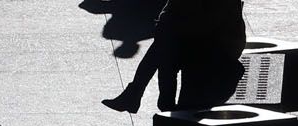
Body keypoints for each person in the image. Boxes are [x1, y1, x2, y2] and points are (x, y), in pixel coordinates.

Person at [100, 0, 247, 114]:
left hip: (219, 44)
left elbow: (204, 19)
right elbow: (175, 10)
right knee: (165, 47)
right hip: (203, 36)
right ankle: (160, 110)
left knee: (165, 48)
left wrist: (167, 26)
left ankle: (142, 98)